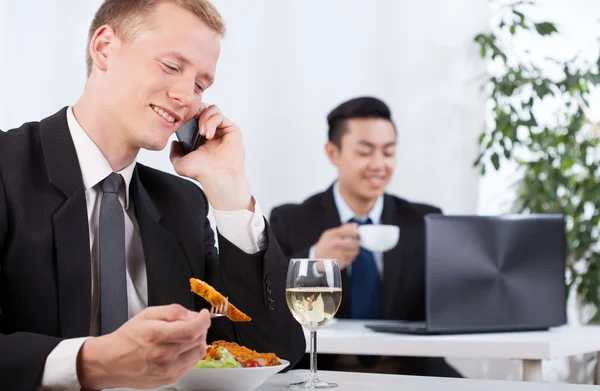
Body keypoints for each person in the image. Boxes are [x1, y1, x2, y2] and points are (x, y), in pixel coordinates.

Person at [0, 1, 305, 390]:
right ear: (105, 48)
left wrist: (230, 193)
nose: (184, 96)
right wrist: (94, 361)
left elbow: (273, 351)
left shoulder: (181, 204)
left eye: (200, 85)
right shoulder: (7, 169)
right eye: (171, 66)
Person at [269, 96, 461, 377]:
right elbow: (265, 302)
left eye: (388, 152)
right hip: (322, 370)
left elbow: (450, 300)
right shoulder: (292, 219)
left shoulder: (423, 221)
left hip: (409, 370)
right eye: (364, 152)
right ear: (332, 153)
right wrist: (314, 261)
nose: (378, 164)